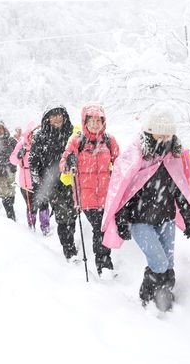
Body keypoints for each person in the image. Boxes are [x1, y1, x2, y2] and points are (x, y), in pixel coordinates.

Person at [102, 103, 190, 307]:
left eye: (168, 135)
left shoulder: (174, 157)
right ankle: (146, 298)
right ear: (148, 133)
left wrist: (189, 218)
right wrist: (122, 220)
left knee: (168, 264)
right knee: (159, 262)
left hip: (166, 218)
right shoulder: (136, 156)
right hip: (140, 221)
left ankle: (164, 299)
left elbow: (179, 190)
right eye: (159, 135)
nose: (164, 140)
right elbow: (124, 192)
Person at [59, 104, 120, 277]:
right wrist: (69, 162)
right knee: (99, 229)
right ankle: (104, 266)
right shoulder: (77, 141)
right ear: (85, 121)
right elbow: (63, 164)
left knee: (103, 228)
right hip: (86, 196)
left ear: (103, 122)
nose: (95, 124)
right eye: (91, 120)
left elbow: (120, 163)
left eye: (98, 120)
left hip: (106, 196)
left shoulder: (109, 141)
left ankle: (104, 263)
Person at [29, 106, 78, 260]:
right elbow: (34, 160)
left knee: (73, 214)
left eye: (60, 115)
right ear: (47, 119)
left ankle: (70, 242)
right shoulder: (41, 137)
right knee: (63, 216)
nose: (57, 118)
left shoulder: (73, 134)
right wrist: (37, 178)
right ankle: (69, 250)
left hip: (72, 181)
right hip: (53, 184)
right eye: (53, 116)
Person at [10, 121, 51, 234]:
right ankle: (31, 225)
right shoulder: (22, 144)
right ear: (29, 134)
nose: (36, 136)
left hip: (41, 179)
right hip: (26, 180)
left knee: (43, 203)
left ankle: (45, 227)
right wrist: (19, 155)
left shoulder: (44, 143)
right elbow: (12, 160)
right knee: (31, 205)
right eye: (33, 133)